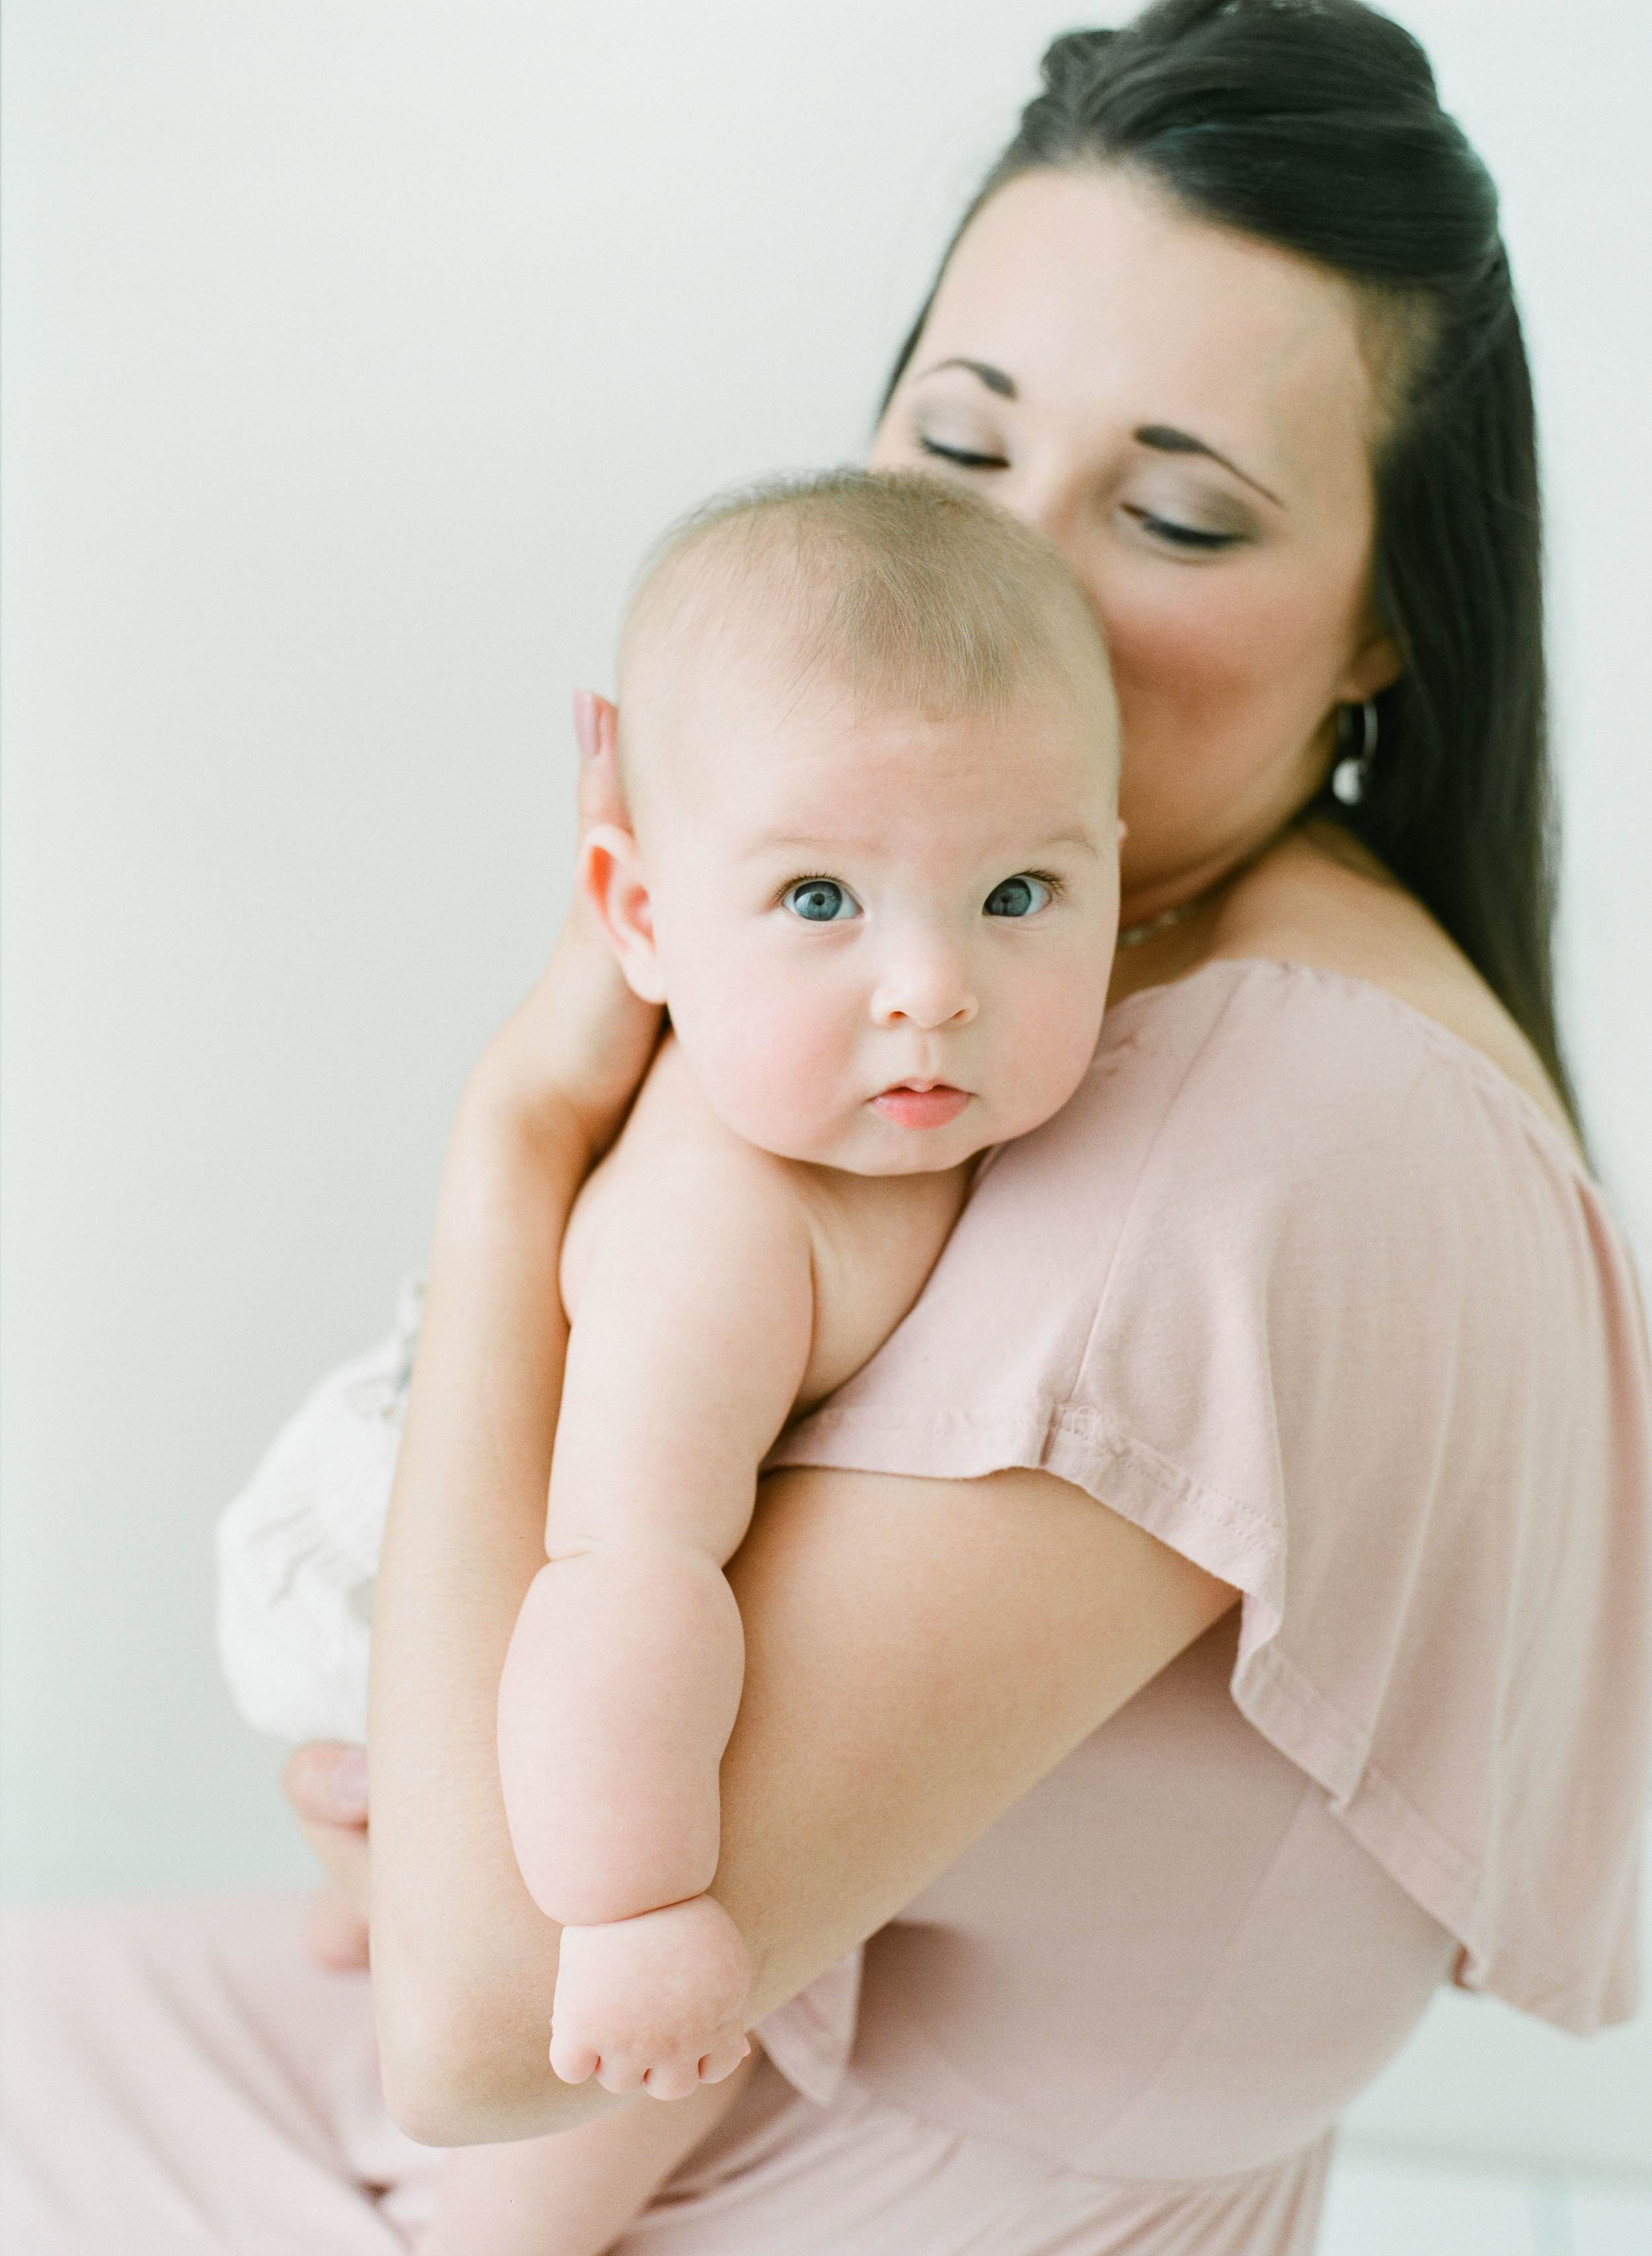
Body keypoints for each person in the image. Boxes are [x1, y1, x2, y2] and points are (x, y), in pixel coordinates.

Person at [4, 6, 1648, 2255]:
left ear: (1386, 624)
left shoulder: (1270, 1121)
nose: (1021, 577)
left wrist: (517, 1141)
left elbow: (489, 2030)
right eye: (955, 446)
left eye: (1174, 512)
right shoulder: (1064, 970)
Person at [215, 467, 1124, 2256]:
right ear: (635, 915)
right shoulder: (729, 1228)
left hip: (586, 1543)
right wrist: (633, 1918)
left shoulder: (951, 1095)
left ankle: (353, 1917)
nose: (930, 985)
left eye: (1021, 890)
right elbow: (618, 1566)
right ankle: (500, 2234)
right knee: (681, 2023)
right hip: (416, 1542)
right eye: (815, 901)